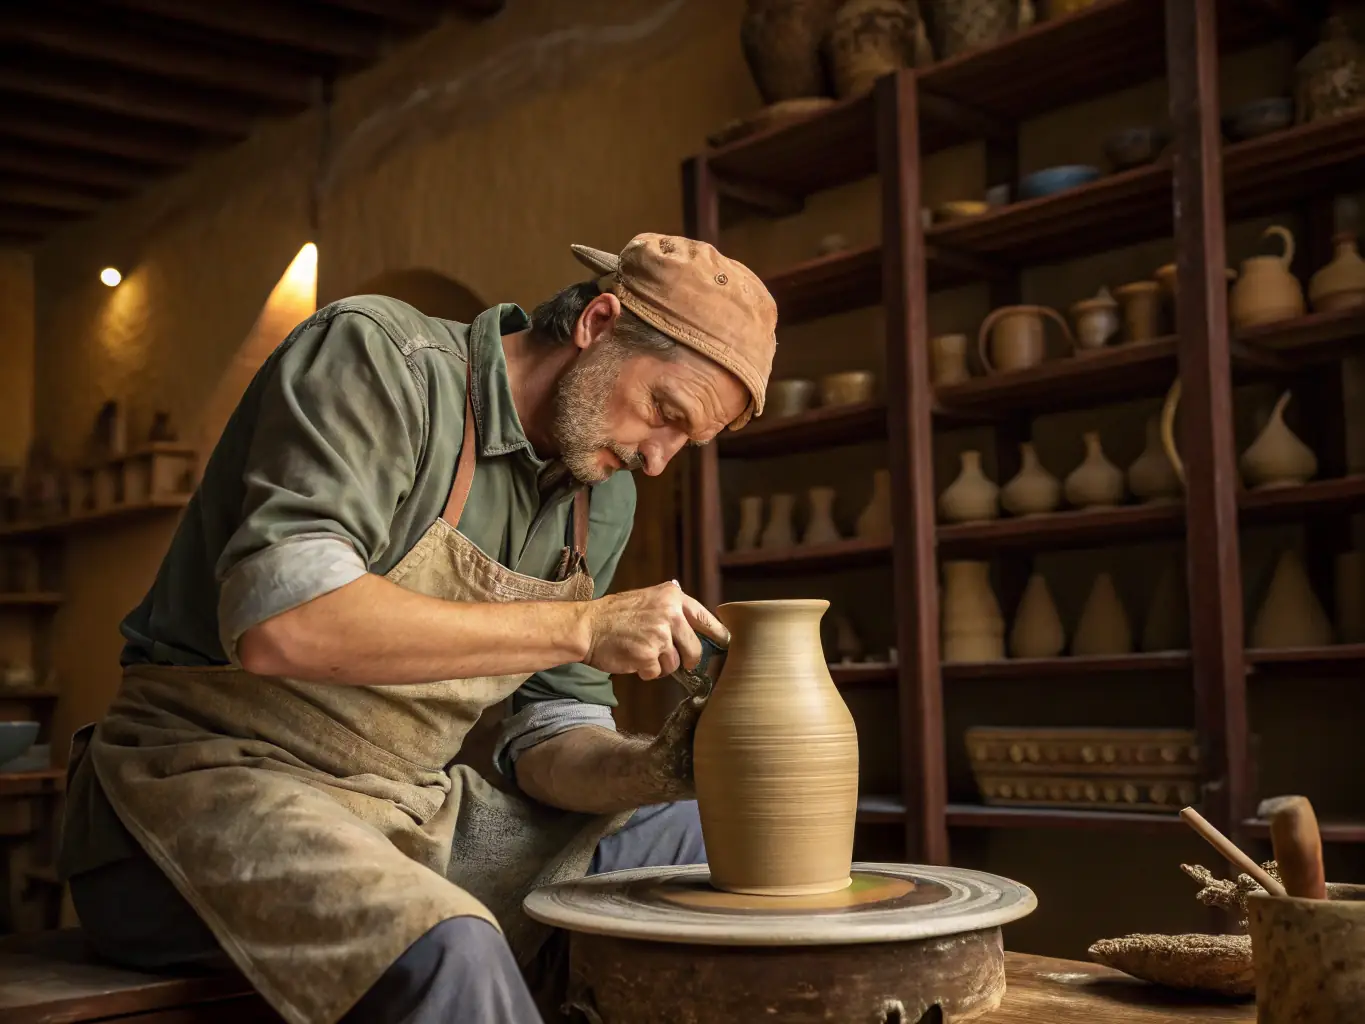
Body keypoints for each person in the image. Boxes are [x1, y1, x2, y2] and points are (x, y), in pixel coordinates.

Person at [57, 233, 777, 1024]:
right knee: (451, 943)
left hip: (409, 811)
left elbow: (547, 740)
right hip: (199, 784)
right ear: (598, 323)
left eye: (688, 441)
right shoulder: (379, 359)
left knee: (688, 841)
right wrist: (580, 625)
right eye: (663, 414)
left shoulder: (596, 498)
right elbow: (283, 621)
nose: (658, 461)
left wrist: (657, 768)